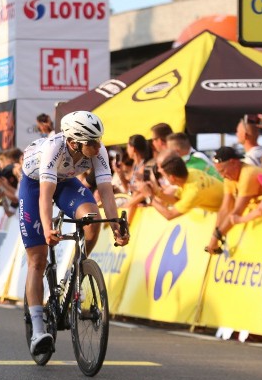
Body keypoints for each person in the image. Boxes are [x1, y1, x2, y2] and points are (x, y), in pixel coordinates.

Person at [19, 111, 130, 355]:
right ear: (73, 142)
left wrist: (115, 227)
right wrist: (48, 229)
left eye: (98, 140)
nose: (98, 145)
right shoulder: (54, 148)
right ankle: (38, 329)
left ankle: (75, 271)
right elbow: (45, 195)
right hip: (35, 184)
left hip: (66, 182)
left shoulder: (97, 150)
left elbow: (106, 191)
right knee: (37, 259)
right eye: (91, 142)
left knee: (92, 219)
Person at [205, 147, 262, 254]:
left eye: (223, 170)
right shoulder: (230, 177)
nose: (222, 176)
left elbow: (237, 211)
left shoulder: (248, 174)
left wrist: (216, 238)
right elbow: (225, 209)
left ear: (234, 162)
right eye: (219, 172)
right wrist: (214, 237)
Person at [140, 152, 223, 220]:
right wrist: (158, 193)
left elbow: (169, 215)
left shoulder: (193, 191)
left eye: (164, 175)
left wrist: (149, 197)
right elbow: (177, 200)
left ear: (172, 177)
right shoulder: (192, 172)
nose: (164, 179)